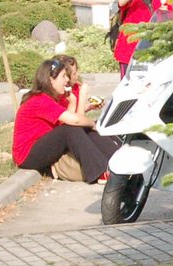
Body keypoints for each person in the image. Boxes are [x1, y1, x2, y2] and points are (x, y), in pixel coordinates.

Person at [12, 55, 117, 183]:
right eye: (63, 76)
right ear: (51, 80)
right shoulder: (39, 100)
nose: (66, 80)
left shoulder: (51, 98)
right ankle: (99, 172)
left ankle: (116, 159)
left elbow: (67, 121)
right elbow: (74, 121)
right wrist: (92, 124)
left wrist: (72, 103)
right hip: (27, 156)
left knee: (79, 127)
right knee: (73, 128)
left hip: (44, 145)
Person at [112, 0, 172, 75]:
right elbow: (121, 2)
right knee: (129, 86)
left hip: (155, 49)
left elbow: (172, 15)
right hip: (131, 48)